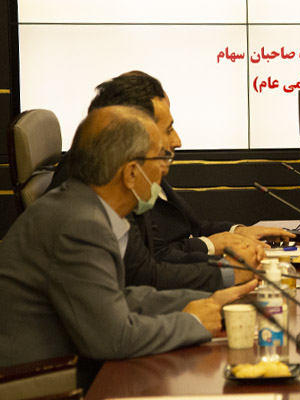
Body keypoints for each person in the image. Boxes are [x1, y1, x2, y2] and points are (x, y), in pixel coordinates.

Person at [0, 106, 258, 389]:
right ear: (131, 174)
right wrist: (194, 321)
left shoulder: (87, 207)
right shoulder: (80, 225)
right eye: (161, 158)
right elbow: (114, 338)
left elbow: (123, 298)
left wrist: (213, 303)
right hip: (40, 380)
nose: (165, 169)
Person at [48, 72, 294, 267]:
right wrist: (228, 273)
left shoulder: (139, 166)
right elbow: (149, 269)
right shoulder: (96, 187)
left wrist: (238, 233)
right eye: (166, 130)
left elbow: (183, 234)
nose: (176, 141)